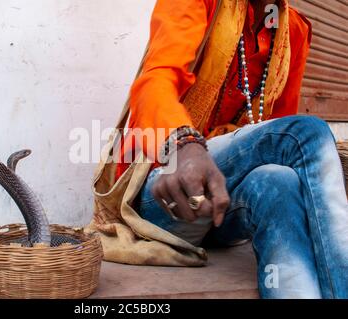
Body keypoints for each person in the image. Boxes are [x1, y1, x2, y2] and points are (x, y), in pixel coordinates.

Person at [115, 0, 348, 298]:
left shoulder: (294, 30)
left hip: (224, 213)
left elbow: (275, 124)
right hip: (166, 196)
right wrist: (183, 145)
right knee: (306, 132)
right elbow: (154, 82)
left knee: (281, 181)